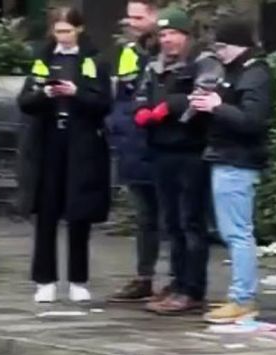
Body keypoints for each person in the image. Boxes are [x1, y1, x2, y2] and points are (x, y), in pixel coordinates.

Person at [17, 6, 112, 304]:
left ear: (79, 30)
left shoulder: (94, 60)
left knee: (78, 212)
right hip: (48, 142)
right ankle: (44, 280)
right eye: (58, 31)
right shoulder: (43, 58)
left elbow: (103, 102)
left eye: (68, 31)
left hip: (81, 144)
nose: (63, 37)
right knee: (46, 211)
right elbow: (25, 100)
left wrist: (76, 93)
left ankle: (78, 279)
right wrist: (44, 94)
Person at [190, 15, 272, 324]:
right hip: (227, 158)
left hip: (238, 161)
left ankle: (242, 299)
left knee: (237, 233)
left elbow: (252, 121)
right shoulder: (237, 72)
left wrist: (216, 106)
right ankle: (240, 296)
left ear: (239, 45)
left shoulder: (255, 74)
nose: (218, 52)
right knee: (232, 231)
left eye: (222, 46)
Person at [136, 7, 211, 315]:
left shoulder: (199, 64)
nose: (167, 41)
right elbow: (140, 96)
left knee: (190, 222)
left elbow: (200, 97)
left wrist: (170, 105)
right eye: (163, 35)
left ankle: (192, 288)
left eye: (173, 34)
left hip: (191, 151)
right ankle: (177, 282)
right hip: (161, 150)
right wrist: (141, 111)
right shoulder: (154, 67)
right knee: (171, 224)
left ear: (186, 36)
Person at [108, 0, 166, 303]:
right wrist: (116, 126)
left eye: (138, 17)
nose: (131, 22)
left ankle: (177, 281)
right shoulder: (130, 52)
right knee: (144, 217)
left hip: (159, 145)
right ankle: (144, 277)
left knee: (172, 218)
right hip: (133, 145)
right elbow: (123, 97)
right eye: (129, 17)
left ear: (156, 17)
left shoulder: (167, 52)